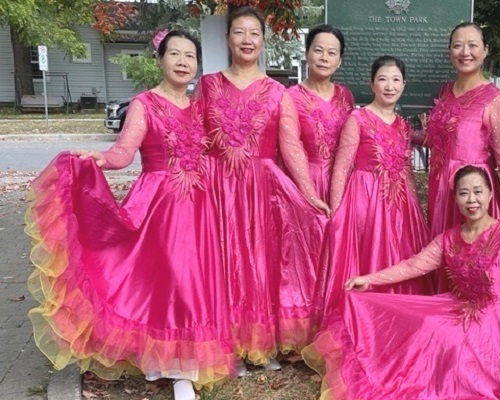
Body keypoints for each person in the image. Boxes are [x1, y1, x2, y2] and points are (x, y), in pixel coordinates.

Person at [26, 30, 236, 400]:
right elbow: (124, 152)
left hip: (202, 207)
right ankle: (176, 370)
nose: (183, 62)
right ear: (161, 59)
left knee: (193, 284)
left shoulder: (202, 108)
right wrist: (100, 160)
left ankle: (175, 363)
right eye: (175, 54)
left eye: (190, 56)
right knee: (169, 284)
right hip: (160, 205)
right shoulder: (145, 104)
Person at [303, 165, 500, 399]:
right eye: (464, 193)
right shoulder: (448, 239)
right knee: (431, 330)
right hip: (456, 310)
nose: (472, 199)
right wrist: (368, 280)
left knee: (471, 353)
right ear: (456, 198)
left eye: (478, 191)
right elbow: (413, 266)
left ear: (490, 194)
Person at [195, 6, 329, 364]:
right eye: (239, 32)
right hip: (217, 188)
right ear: (227, 38)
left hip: (263, 190)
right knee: (222, 261)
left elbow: (291, 146)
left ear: (263, 40)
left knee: (261, 262)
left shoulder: (278, 92)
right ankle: (224, 344)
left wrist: (310, 193)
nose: (246, 40)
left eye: (254, 33)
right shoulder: (207, 86)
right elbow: (195, 139)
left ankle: (260, 340)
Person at [414, 22, 500, 293]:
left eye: (472, 45)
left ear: (485, 50)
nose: (464, 52)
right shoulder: (445, 92)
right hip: (442, 186)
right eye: (457, 45)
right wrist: (402, 133)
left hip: (472, 187)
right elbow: (438, 141)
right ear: (449, 51)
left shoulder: (495, 99)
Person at [320, 56, 431, 320]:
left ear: (404, 84)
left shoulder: (404, 126)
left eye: (396, 80)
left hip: (399, 205)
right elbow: (342, 167)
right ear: (372, 84)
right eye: (383, 79)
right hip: (365, 201)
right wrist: (337, 213)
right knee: (369, 257)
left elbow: (405, 169)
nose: (389, 86)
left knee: (399, 260)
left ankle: (395, 319)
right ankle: (367, 321)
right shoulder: (357, 119)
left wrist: (414, 209)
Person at [287, 24, 354, 203]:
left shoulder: (345, 95)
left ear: (339, 61)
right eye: (318, 50)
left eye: (332, 53)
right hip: (305, 182)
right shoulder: (290, 97)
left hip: (345, 183)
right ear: (307, 53)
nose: (324, 58)